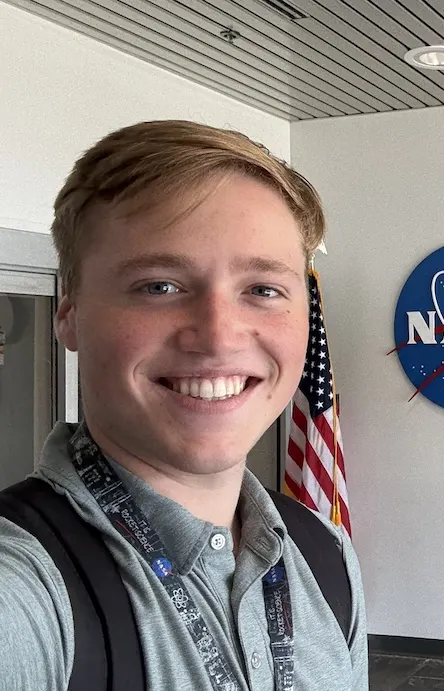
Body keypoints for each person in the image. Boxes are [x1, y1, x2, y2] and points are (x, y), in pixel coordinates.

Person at [0, 120, 368, 690]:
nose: (220, 337)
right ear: (68, 310)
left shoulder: (324, 554)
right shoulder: (24, 590)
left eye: (263, 290)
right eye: (159, 286)